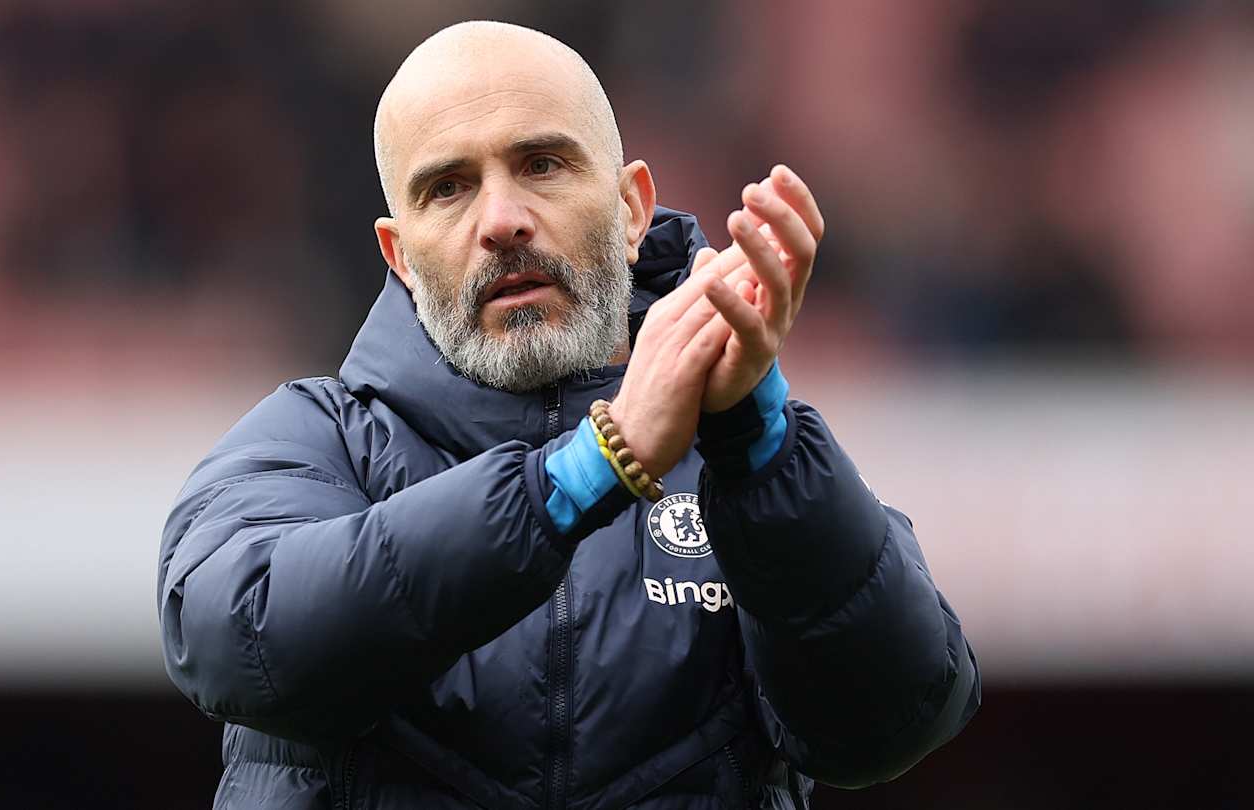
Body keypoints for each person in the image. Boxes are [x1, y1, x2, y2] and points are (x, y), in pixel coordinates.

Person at [157, 20, 979, 810]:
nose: (501, 221)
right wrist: (589, 470)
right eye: (448, 188)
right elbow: (238, 642)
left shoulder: (759, 471)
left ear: (632, 210)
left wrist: (761, 451)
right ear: (400, 256)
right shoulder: (316, 442)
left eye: (542, 164)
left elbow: (891, 724)